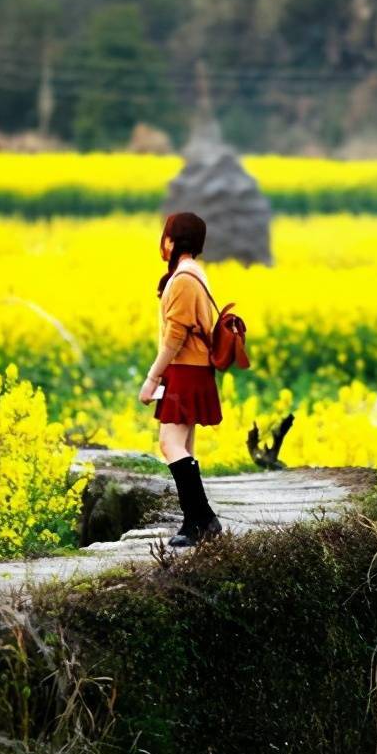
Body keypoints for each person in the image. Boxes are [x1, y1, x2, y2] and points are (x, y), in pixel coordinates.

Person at [138, 212, 223, 547]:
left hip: (186, 370)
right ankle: (197, 521)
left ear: (172, 241)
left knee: (169, 443)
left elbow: (175, 336)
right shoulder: (188, 274)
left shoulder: (185, 278)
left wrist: (151, 377)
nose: (162, 242)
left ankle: (202, 520)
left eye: (165, 236)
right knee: (183, 446)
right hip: (189, 369)